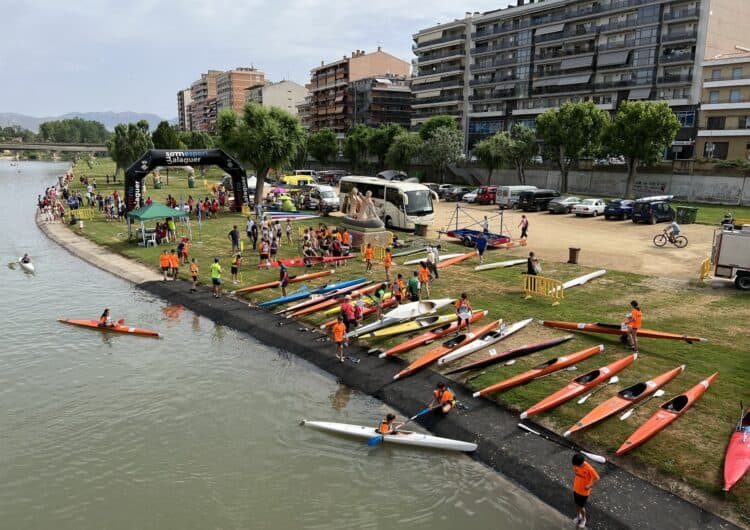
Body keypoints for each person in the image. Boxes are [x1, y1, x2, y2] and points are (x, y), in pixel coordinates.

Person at [572, 453, 600, 529]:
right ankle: (578, 516)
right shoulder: (576, 465)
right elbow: (577, 474)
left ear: (582, 462)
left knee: (581, 506)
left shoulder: (589, 469)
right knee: (577, 504)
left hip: (584, 492)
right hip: (576, 489)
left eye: (578, 465)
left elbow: (597, 478)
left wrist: (589, 485)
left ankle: (584, 519)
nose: (576, 467)